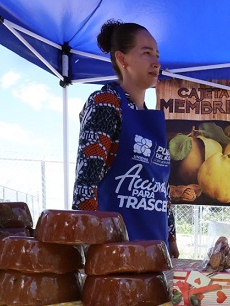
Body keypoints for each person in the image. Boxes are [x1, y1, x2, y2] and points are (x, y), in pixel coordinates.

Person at [72, 20, 179, 258]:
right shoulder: (106, 103)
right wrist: (86, 247)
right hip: (114, 253)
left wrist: (171, 236)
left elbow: (161, 187)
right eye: (146, 53)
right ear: (122, 59)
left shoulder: (149, 115)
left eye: (157, 55)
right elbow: (86, 182)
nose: (156, 62)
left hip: (155, 248)